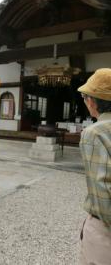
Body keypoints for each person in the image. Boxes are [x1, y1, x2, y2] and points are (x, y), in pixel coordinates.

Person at [77, 68, 111, 264]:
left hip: (105, 231)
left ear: (92, 101)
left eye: (84, 96)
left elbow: (103, 192)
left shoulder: (95, 133)